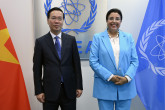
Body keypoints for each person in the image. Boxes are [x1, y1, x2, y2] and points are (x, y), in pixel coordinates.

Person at [33, 7, 83, 110]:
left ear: (63, 21)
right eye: (53, 18)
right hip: (49, 92)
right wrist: (38, 90)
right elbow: (36, 69)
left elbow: (76, 65)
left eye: (60, 18)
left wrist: (79, 86)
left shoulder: (71, 40)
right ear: (48, 20)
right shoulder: (40, 42)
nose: (57, 21)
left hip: (69, 90)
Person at [89, 8, 139, 110]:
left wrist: (127, 78)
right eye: (111, 18)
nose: (114, 21)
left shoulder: (128, 37)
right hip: (105, 85)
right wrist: (110, 76)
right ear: (107, 20)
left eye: (117, 19)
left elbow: (134, 61)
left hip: (125, 86)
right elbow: (93, 61)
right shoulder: (98, 37)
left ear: (121, 21)